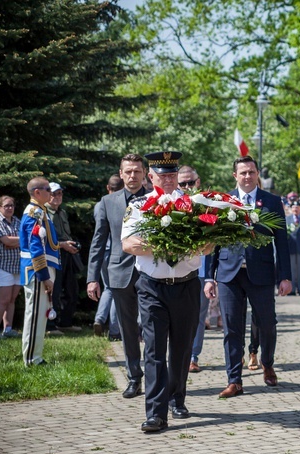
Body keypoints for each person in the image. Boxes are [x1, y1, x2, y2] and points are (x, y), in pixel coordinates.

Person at [122, 151, 213, 433]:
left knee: (182, 349)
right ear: (151, 177)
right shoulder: (139, 206)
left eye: (172, 174)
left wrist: (195, 246)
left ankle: (177, 398)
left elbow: (209, 245)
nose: (169, 179)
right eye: (162, 175)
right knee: (154, 350)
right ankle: (156, 413)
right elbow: (129, 244)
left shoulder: (196, 206)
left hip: (186, 285)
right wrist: (166, 247)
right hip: (152, 287)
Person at [205, 155, 292, 398]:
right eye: (242, 172)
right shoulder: (222, 202)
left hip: (262, 273)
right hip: (228, 274)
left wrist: (284, 276)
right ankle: (235, 380)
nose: (247, 176)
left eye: (251, 172)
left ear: (257, 175)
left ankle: (268, 363)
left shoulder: (272, 202)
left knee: (267, 324)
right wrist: (209, 277)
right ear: (235, 175)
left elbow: (281, 240)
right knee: (232, 328)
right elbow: (213, 239)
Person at [86, 154, 148, 399]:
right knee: (128, 329)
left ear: (144, 173)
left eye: (137, 171)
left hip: (149, 271)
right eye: (128, 172)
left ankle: (155, 375)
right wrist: (93, 277)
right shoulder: (107, 202)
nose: (132, 176)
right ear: (121, 174)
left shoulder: (155, 200)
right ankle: (134, 377)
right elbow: (98, 241)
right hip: (119, 273)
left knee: (152, 325)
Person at [19, 177, 60, 366]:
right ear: (37, 192)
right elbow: (35, 247)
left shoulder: (41, 211)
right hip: (36, 271)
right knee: (35, 315)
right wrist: (44, 276)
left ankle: (36, 356)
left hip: (41, 270)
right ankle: (31, 359)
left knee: (40, 315)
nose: (50, 192)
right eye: (47, 189)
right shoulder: (34, 213)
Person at [177, 165, 210, 374]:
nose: (188, 186)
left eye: (191, 182)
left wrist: (211, 276)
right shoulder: (171, 204)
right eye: (183, 183)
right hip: (177, 270)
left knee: (198, 315)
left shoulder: (209, 204)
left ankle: (192, 356)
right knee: (177, 316)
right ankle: (179, 354)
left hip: (202, 269)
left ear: (198, 181)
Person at [45, 182, 82, 332]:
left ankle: (65, 323)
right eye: (53, 194)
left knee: (71, 289)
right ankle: (50, 325)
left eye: (59, 193)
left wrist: (72, 245)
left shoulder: (62, 212)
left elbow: (66, 234)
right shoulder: (43, 214)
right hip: (53, 255)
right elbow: (44, 240)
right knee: (54, 290)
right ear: (47, 195)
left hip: (67, 255)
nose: (57, 197)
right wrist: (63, 244)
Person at [92, 175, 123, 340]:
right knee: (116, 290)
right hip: (116, 252)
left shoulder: (99, 205)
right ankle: (114, 330)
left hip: (103, 251)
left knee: (108, 289)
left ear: (107, 187)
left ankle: (99, 318)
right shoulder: (120, 203)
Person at [0, 196, 22, 339]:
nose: (10, 208)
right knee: (4, 299)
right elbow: (6, 241)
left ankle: (8, 329)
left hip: (17, 265)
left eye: (12, 206)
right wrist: (22, 239)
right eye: (7, 205)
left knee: (12, 299)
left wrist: (16, 241)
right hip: (2, 266)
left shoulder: (17, 221)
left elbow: (15, 240)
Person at [286, 201, 300, 296]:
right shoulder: (287, 219)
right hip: (290, 247)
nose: (295, 209)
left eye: (297, 207)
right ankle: (292, 289)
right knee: (291, 270)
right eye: (294, 207)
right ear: (291, 209)